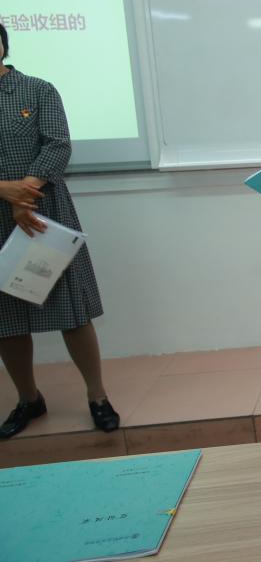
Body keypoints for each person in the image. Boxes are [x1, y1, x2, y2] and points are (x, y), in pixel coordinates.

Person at [0, 22, 119, 439]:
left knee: (72, 310)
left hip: (43, 213)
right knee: (7, 318)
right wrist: (5, 192)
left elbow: (57, 144)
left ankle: (97, 396)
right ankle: (29, 399)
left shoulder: (38, 90)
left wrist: (24, 195)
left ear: (3, 46)